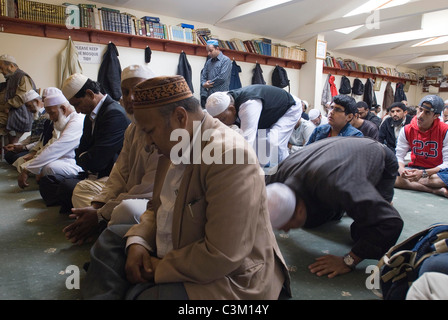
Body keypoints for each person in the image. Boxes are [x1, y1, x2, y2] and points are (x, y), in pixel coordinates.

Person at [82, 75, 290, 300]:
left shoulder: (230, 156)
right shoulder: (174, 144)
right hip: (184, 241)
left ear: (180, 116)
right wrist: (139, 241)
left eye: (149, 131)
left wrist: (156, 268)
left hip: (235, 276)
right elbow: (156, 208)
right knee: (112, 239)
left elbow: (223, 255)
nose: (147, 143)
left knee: (143, 295)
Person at [266, 136, 404, 278]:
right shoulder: (276, 178)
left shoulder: (341, 186)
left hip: (381, 157)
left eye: (285, 225)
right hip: (340, 153)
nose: (285, 230)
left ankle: (378, 202)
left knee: (364, 231)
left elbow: (391, 223)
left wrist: (349, 261)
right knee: (312, 221)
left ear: (299, 209)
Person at [64, 65, 159, 245]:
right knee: (82, 190)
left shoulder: (165, 129)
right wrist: (98, 205)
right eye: (125, 91)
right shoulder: (132, 129)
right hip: (126, 192)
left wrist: (100, 214)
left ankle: (102, 230)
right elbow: (119, 172)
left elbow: (148, 190)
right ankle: (103, 230)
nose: (131, 97)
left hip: (150, 200)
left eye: (138, 90)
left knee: (126, 209)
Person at [53, 73, 130, 213]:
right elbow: (80, 151)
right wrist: (85, 157)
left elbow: (98, 161)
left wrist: (85, 157)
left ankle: (98, 217)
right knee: (56, 185)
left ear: (89, 93)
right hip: (92, 174)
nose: (77, 110)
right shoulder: (91, 116)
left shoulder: (114, 114)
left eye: (77, 104)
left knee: (68, 188)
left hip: (109, 176)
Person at [205, 84, 302, 166]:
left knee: (274, 142)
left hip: (289, 108)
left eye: (223, 119)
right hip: (269, 113)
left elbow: (247, 143)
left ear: (232, 109)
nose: (223, 124)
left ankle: (287, 172)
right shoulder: (221, 101)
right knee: (259, 148)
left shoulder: (249, 105)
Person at [17, 88, 84, 204]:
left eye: (52, 113)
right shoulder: (60, 121)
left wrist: (27, 170)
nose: (51, 117)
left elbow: (57, 148)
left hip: (79, 164)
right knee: (45, 167)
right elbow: (48, 145)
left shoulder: (76, 120)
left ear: (63, 108)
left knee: (49, 167)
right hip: (66, 160)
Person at [395, 95, 448, 198]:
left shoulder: (445, 131)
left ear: (436, 116)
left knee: (440, 179)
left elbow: (447, 163)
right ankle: (434, 191)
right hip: (414, 168)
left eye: (427, 112)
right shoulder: (406, 129)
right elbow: (399, 156)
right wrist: (402, 170)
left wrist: (424, 173)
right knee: (387, 175)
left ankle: (412, 182)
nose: (420, 115)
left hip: (437, 171)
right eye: (420, 110)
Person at [3, 90, 52, 165]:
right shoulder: (37, 116)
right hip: (31, 147)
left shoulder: (48, 117)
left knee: (18, 158)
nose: (28, 110)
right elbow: (32, 136)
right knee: (9, 155)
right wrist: (16, 145)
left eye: (29, 106)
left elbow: (43, 140)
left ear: (37, 101)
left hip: (39, 149)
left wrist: (24, 147)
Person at [0, 54, 35, 144]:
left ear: (11, 66)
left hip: (19, 114)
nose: (1, 71)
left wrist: (6, 106)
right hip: (10, 112)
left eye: (1, 68)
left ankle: (9, 152)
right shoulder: (10, 78)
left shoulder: (22, 77)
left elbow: (21, 98)